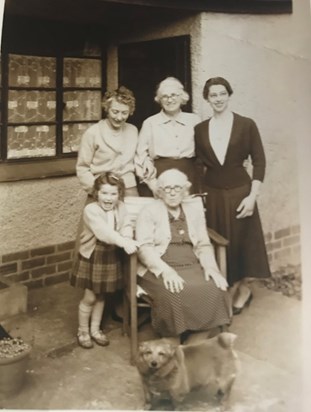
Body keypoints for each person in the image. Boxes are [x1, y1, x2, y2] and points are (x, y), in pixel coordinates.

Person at [194, 76, 271, 315]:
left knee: (243, 243)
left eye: (221, 94)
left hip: (241, 192)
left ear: (229, 95)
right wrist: (199, 195)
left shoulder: (246, 124)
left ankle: (244, 289)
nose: (217, 99)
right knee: (220, 243)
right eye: (212, 95)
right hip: (214, 194)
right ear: (207, 99)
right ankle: (224, 288)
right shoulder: (201, 129)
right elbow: (198, 165)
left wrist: (252, 196)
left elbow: (259, 161)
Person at [135, 169, 232, 340]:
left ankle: (193, 344)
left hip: (192, 265)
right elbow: (144, 248)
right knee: (172, 293)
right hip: (158, 267)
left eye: (177, 188)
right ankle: (173, 338)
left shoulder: (194, 211)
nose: (172, 193)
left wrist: (211, 267)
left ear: (185, 190)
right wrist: (166, 271)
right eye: (167, 189)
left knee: (215, 289)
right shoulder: (149, 211)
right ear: (160, 191)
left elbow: (203, 244)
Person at [70, 172, 138, 348]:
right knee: (90, 296)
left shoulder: (121, 207)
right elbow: (104, 232)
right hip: (94, 254)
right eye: (104, 193)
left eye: (113, 194)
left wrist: (127, 236)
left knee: (102, 296)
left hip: (110, 254)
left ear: (119, 194)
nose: (109, 198)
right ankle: (83, 331)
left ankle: (95, 330)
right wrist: (123, 242)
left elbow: (126, 224)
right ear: (96, 193)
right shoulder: (91, 210)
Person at [135, 77, 201, 195]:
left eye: (174, 95)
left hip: (189, 175)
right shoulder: (150, 123)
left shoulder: (194, 120)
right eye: (165, 96)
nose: (169, 100)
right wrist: (152, 183)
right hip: (160, 175)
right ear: (159, 100)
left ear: (182, 97)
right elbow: (141, 156)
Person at [76, 85, 139, 197]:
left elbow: (140, 158)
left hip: (128, 187)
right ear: (107, 109)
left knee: (135, 213)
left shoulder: (133, 131)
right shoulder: (93, 133)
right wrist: (96, 190)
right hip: (102, 188)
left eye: (124, 113)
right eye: (115, 112)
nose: (119, 117)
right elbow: (82, 168)